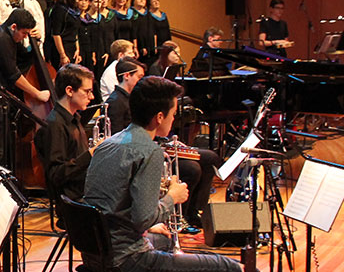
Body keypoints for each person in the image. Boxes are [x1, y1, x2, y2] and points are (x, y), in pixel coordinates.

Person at [83, 76, 241, 271]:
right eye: (173, 113)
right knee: (228, 266)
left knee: (164, 240)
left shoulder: (108, 143)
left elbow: (110, 204)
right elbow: (143, 218)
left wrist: (148, 227)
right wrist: (172, 197)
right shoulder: (149, 151)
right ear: (159, 117)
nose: (174, 119)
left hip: (98, 252)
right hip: (127, 259)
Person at [0, 8, 49, 161]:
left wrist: (35, 41)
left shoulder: (8, 35)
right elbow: (13, 75)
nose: (24, 37)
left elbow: (24, 56)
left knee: (3, 150)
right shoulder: (1, 39)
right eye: (24, 33)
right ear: (14, 27)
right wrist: (37, 93)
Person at [36, 64, 96, 203]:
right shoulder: (55, 124)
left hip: (85, 191)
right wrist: (90, 155)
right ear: (69, 91)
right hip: (74, 202)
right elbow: (56, 174)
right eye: (87, 91)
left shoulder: (74, 118)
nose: (91, 97)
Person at [104, 58, 146, 134]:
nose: (142, 81)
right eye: (139, 77)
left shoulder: (133, 97)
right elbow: (116, 136)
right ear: (126, 76)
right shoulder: (115, 102)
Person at [47, 0, 82, 70]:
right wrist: (62, 55)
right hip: (62, 48)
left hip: (72, 48)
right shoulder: (59, 10)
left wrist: (77, 49)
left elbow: (75, 31)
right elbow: (56, 34)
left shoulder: (75, 10)